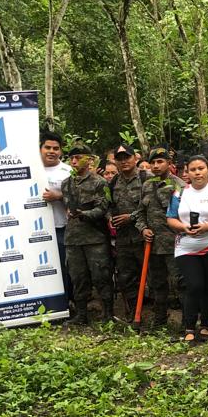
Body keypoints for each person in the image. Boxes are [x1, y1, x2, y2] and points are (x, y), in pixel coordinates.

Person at [167, 155, 208, 342]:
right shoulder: (179, 193)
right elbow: (170, 218)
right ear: (187, 172)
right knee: (194, 285)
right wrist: (183, 227)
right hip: (186, 246)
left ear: (207, 170)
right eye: (193, 169)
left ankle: (205, 325)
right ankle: (189, 326)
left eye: (201, 168)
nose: (197, 172)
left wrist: (206, 227)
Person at [61, 144, 113, 324]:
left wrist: (84, 214)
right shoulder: (66, 183)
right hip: (73, 238)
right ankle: (82, 315)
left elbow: (103, 208)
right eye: (71, 158)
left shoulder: (99, 182)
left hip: (95, 238)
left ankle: (108, 314)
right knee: (78, 277)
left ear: (90, 160)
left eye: (79, 157)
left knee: (101, 276)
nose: (74, 161)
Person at [140, 146, 184, 330]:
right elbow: (140, 212)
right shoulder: (147, 185)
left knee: (180, 283)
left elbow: (185, 214)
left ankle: (186, 321)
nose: (156, 166)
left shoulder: (179, 185)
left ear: (169, 163)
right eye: (153, 162)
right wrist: (143, 229)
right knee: (157, 283)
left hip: (175, 243)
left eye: (160, 162)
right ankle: (159, 319)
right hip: (153, 244)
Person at [107, 144, 147, 318]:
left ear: (135, 158)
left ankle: (158, 315)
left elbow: (151, 205)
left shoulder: (147, 178)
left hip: (144, 235)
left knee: (152, 277)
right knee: (126, 277)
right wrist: (109, 217)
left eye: (127, 157)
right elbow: (108, 204)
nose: (124, 162)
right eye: (120, 159)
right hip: (123, 239)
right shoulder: (114, 182)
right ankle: (133, 313)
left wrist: (131, 217)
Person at [40, 131, 73, 301]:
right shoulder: (29, 169)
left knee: (63, 267)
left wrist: (58, 197)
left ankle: (65, 304)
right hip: (34, 231)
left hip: (61, 228)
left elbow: (78, 199)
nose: (51, 151)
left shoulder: (68, 171)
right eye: (47, 147)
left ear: (61, 151)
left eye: (56, 148)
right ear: (40, 149)